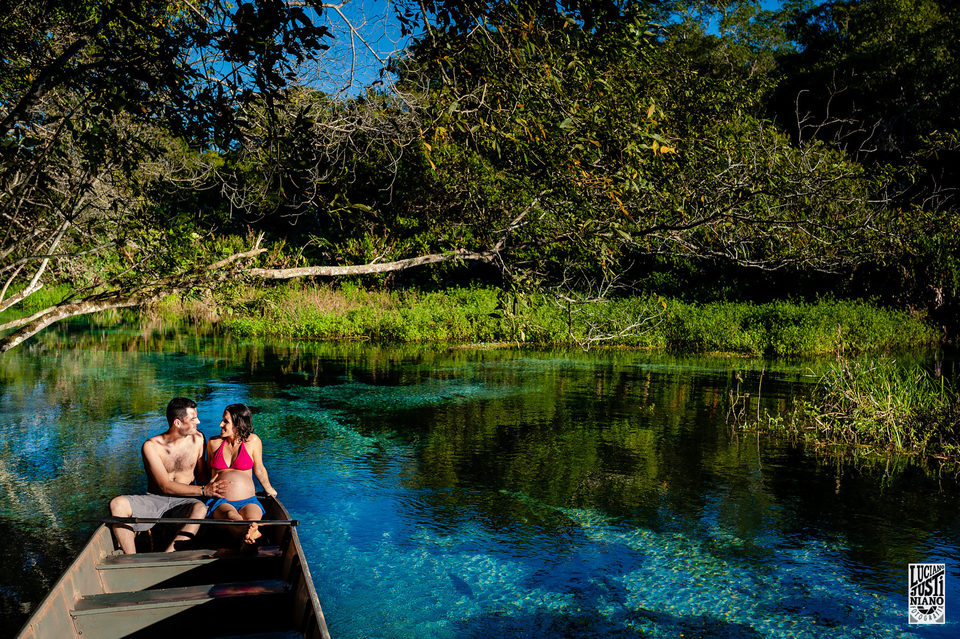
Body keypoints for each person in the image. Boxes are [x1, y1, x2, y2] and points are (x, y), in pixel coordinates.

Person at [109, 397, 229, 554]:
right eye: (193, 418)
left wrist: (218, 486)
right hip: (155, 499)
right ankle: (131, 559)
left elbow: (201, 477)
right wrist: (203, 491)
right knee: (117, 504)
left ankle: (169, 555)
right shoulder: (151, 446)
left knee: (200, 508)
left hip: (185, 501)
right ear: (177, 423)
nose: (198, 421)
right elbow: (164, 486)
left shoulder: (198, 439)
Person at [205, 403, 276, 545]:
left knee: (253, 519)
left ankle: (248, 536)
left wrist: (269, 489)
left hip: (249, 500)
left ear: (238, 424)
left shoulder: (253, 441)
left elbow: (259, 469)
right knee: (231, 516)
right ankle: (250, 536)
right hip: (221, 501)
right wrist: (204, 492)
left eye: (226, 421)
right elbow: (208, 473)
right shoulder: (213, 443)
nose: (220, 424)